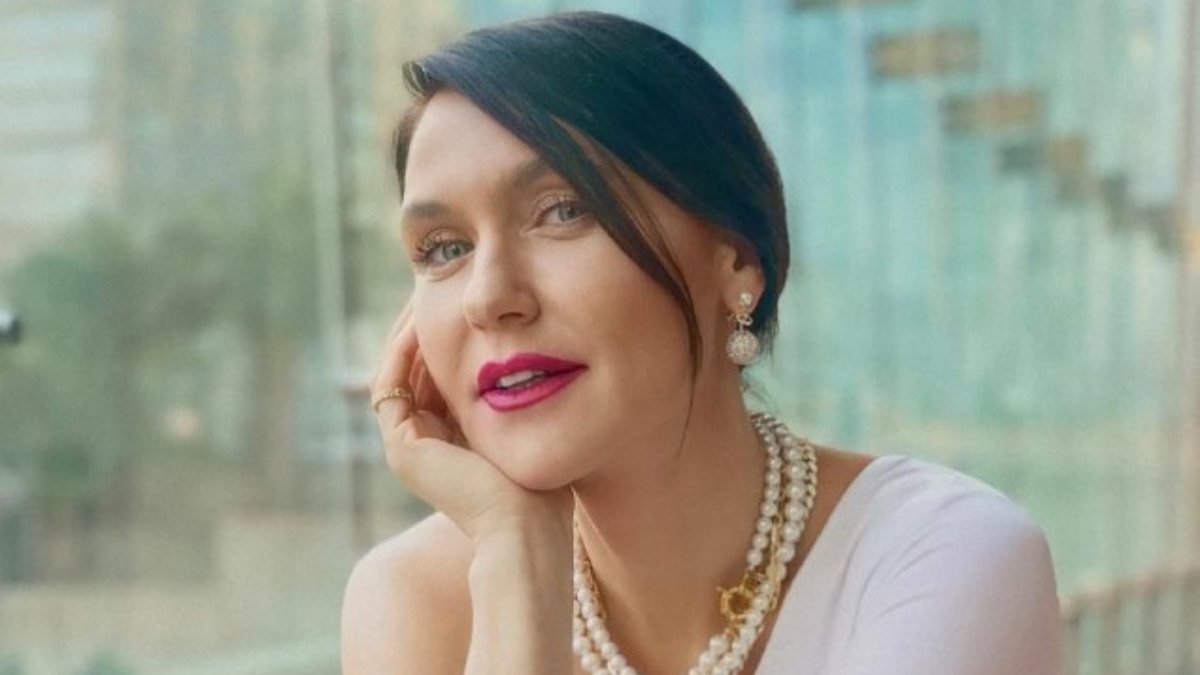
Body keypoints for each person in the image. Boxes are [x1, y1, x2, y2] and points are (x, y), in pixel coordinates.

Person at [341, 11, 1061, 675]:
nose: (488, 297)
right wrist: (517, 557)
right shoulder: (413, 598)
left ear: (736, 261)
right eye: (444, 249)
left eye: (563, 210)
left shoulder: (941, 555)